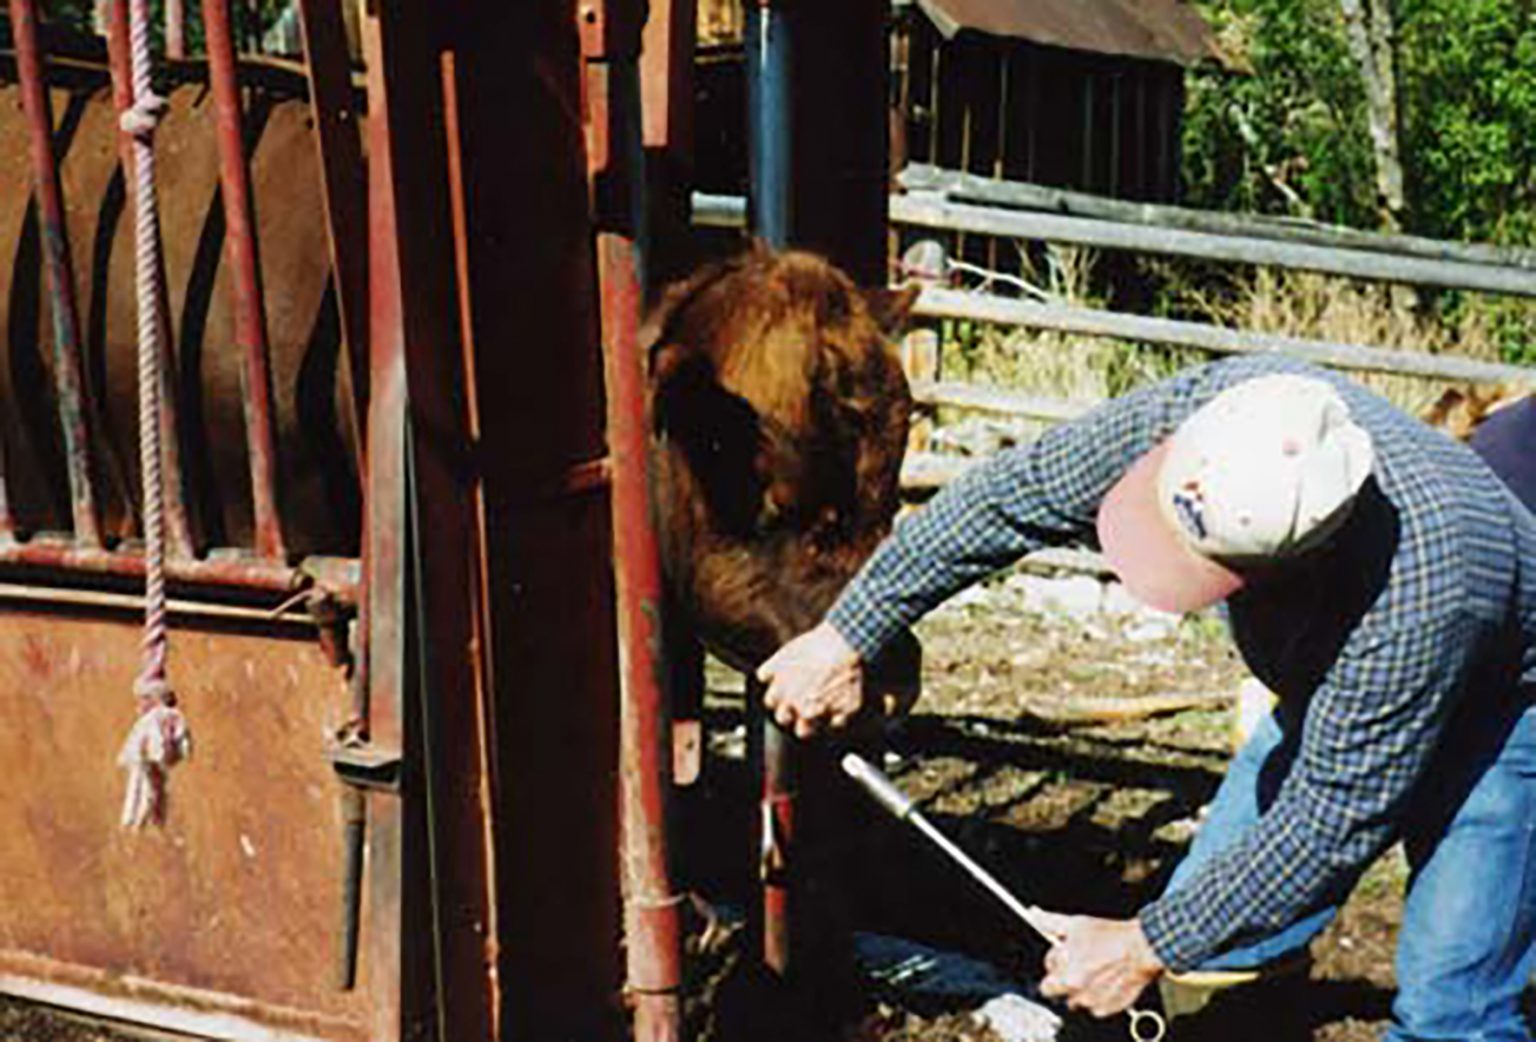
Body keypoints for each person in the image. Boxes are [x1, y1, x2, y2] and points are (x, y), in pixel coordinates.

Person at [757, 354, 1536, 1042]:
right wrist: (846, 633)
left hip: (1506, 703)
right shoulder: (1223, 408)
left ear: (1299, 563)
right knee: (1215, 940)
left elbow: (1328, 823)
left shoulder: (1426, 593)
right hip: (1335, 677)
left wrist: (1138, 945)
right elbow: (1009, 496)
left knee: (1452, 1004)